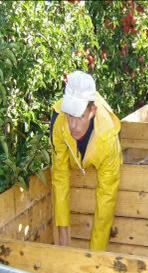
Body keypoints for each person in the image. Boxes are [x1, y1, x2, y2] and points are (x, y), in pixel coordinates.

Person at [50, 70, 122, 251]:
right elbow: (60, 174)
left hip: (101, 148)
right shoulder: (59, 122)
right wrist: (63, 228)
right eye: (70, 115)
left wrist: (94, 256)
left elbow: (106, 196)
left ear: (92, 111)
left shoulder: (108, 139)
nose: (73, 125)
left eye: (80, 116)